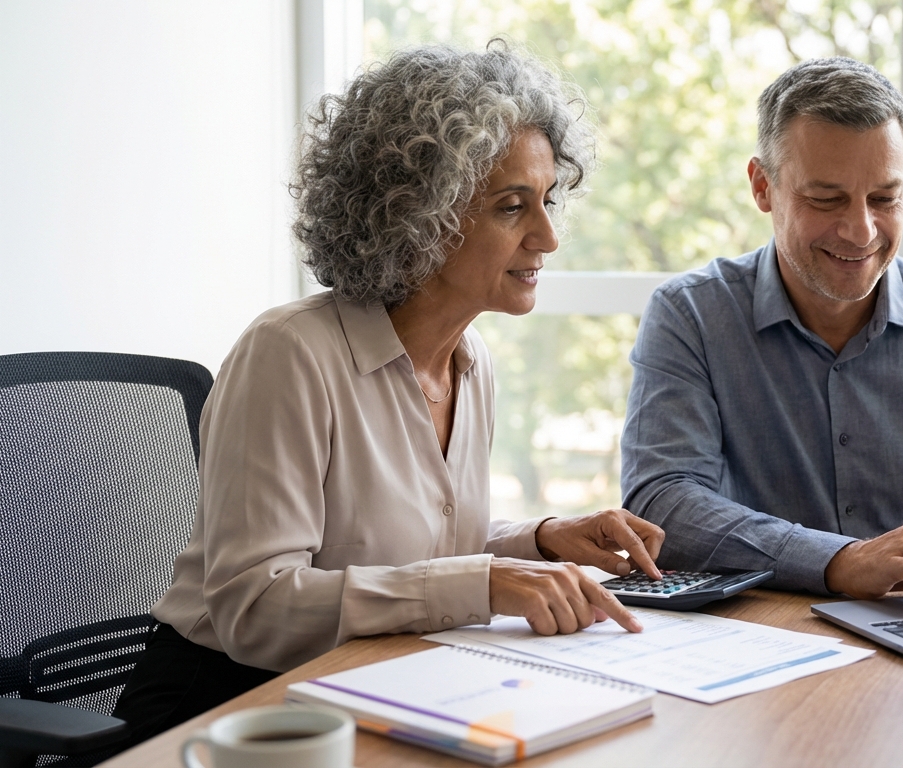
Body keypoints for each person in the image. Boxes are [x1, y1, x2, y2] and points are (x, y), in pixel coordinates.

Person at [109, 42, 664, 750]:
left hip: (376, 683)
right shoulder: (289, 353)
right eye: (511, 206)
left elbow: (407, 546)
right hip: (231, 710)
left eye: (548, 200)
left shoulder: (471, 360)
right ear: (418, 215)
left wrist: (541, 539)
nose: (548, 236)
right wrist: (485, 585)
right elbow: (257, 605)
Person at [620, 57, 903, 603]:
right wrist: (838, 561)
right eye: (826, 199)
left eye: (885, 198)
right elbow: (661, 501)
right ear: (763, 187)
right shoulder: (690, 315)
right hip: (766, 630)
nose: (861, 230)